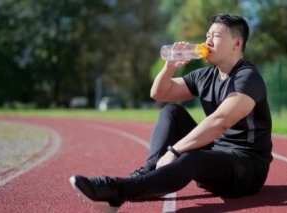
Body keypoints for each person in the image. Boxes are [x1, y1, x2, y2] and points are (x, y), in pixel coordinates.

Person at [69, 13, 273, 210]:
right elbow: (159, 93)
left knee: (192, 158)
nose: (208, 41)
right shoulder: (205, 75)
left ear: (237, 44)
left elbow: (221, 121)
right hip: (217, 156)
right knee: (172, 111)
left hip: (246, 169)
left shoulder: (247, 77)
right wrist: (169, 67)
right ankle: (148, 174)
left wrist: (174, 151)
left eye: (216, 36)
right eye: (207, 35)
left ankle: (117, 191)